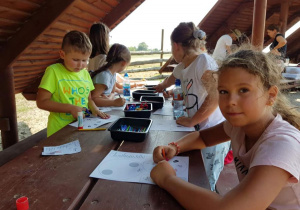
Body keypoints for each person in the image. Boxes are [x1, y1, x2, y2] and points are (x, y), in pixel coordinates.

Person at [151, 49, 300, 210]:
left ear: (271, 95)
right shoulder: (240, 126)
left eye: (243, 90)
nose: (230, 101)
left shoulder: (281, 145)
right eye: (223, 91)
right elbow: (203, 138)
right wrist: (175, 146)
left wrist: (167, 179)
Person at [155, 22, 230, 191]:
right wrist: (160, 87)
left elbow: (216, 95)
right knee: (195, 176)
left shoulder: (203, 61)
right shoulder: (183, 66)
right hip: (198, 133)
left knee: (205, 181)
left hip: (212, 133)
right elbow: (169, 80)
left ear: (176, 45)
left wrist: (192, 120)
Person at [36, 30, 109, 137]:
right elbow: (42, 102)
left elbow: (88, 99)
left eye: (85, 60)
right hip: (59, 131)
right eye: (75, 59)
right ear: (62, 54)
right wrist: (70, 108)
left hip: (81, 128)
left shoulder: (85, 74)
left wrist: (95, 109)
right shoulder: (53, 71)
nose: (80, 65)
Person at [88, 22, 145, 92]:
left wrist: (138, 83)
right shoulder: (104, 59)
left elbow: (119, 82)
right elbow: (116, 87)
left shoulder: (91, 59)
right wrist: (136, 87)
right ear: (104, 38)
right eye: (108, 36)